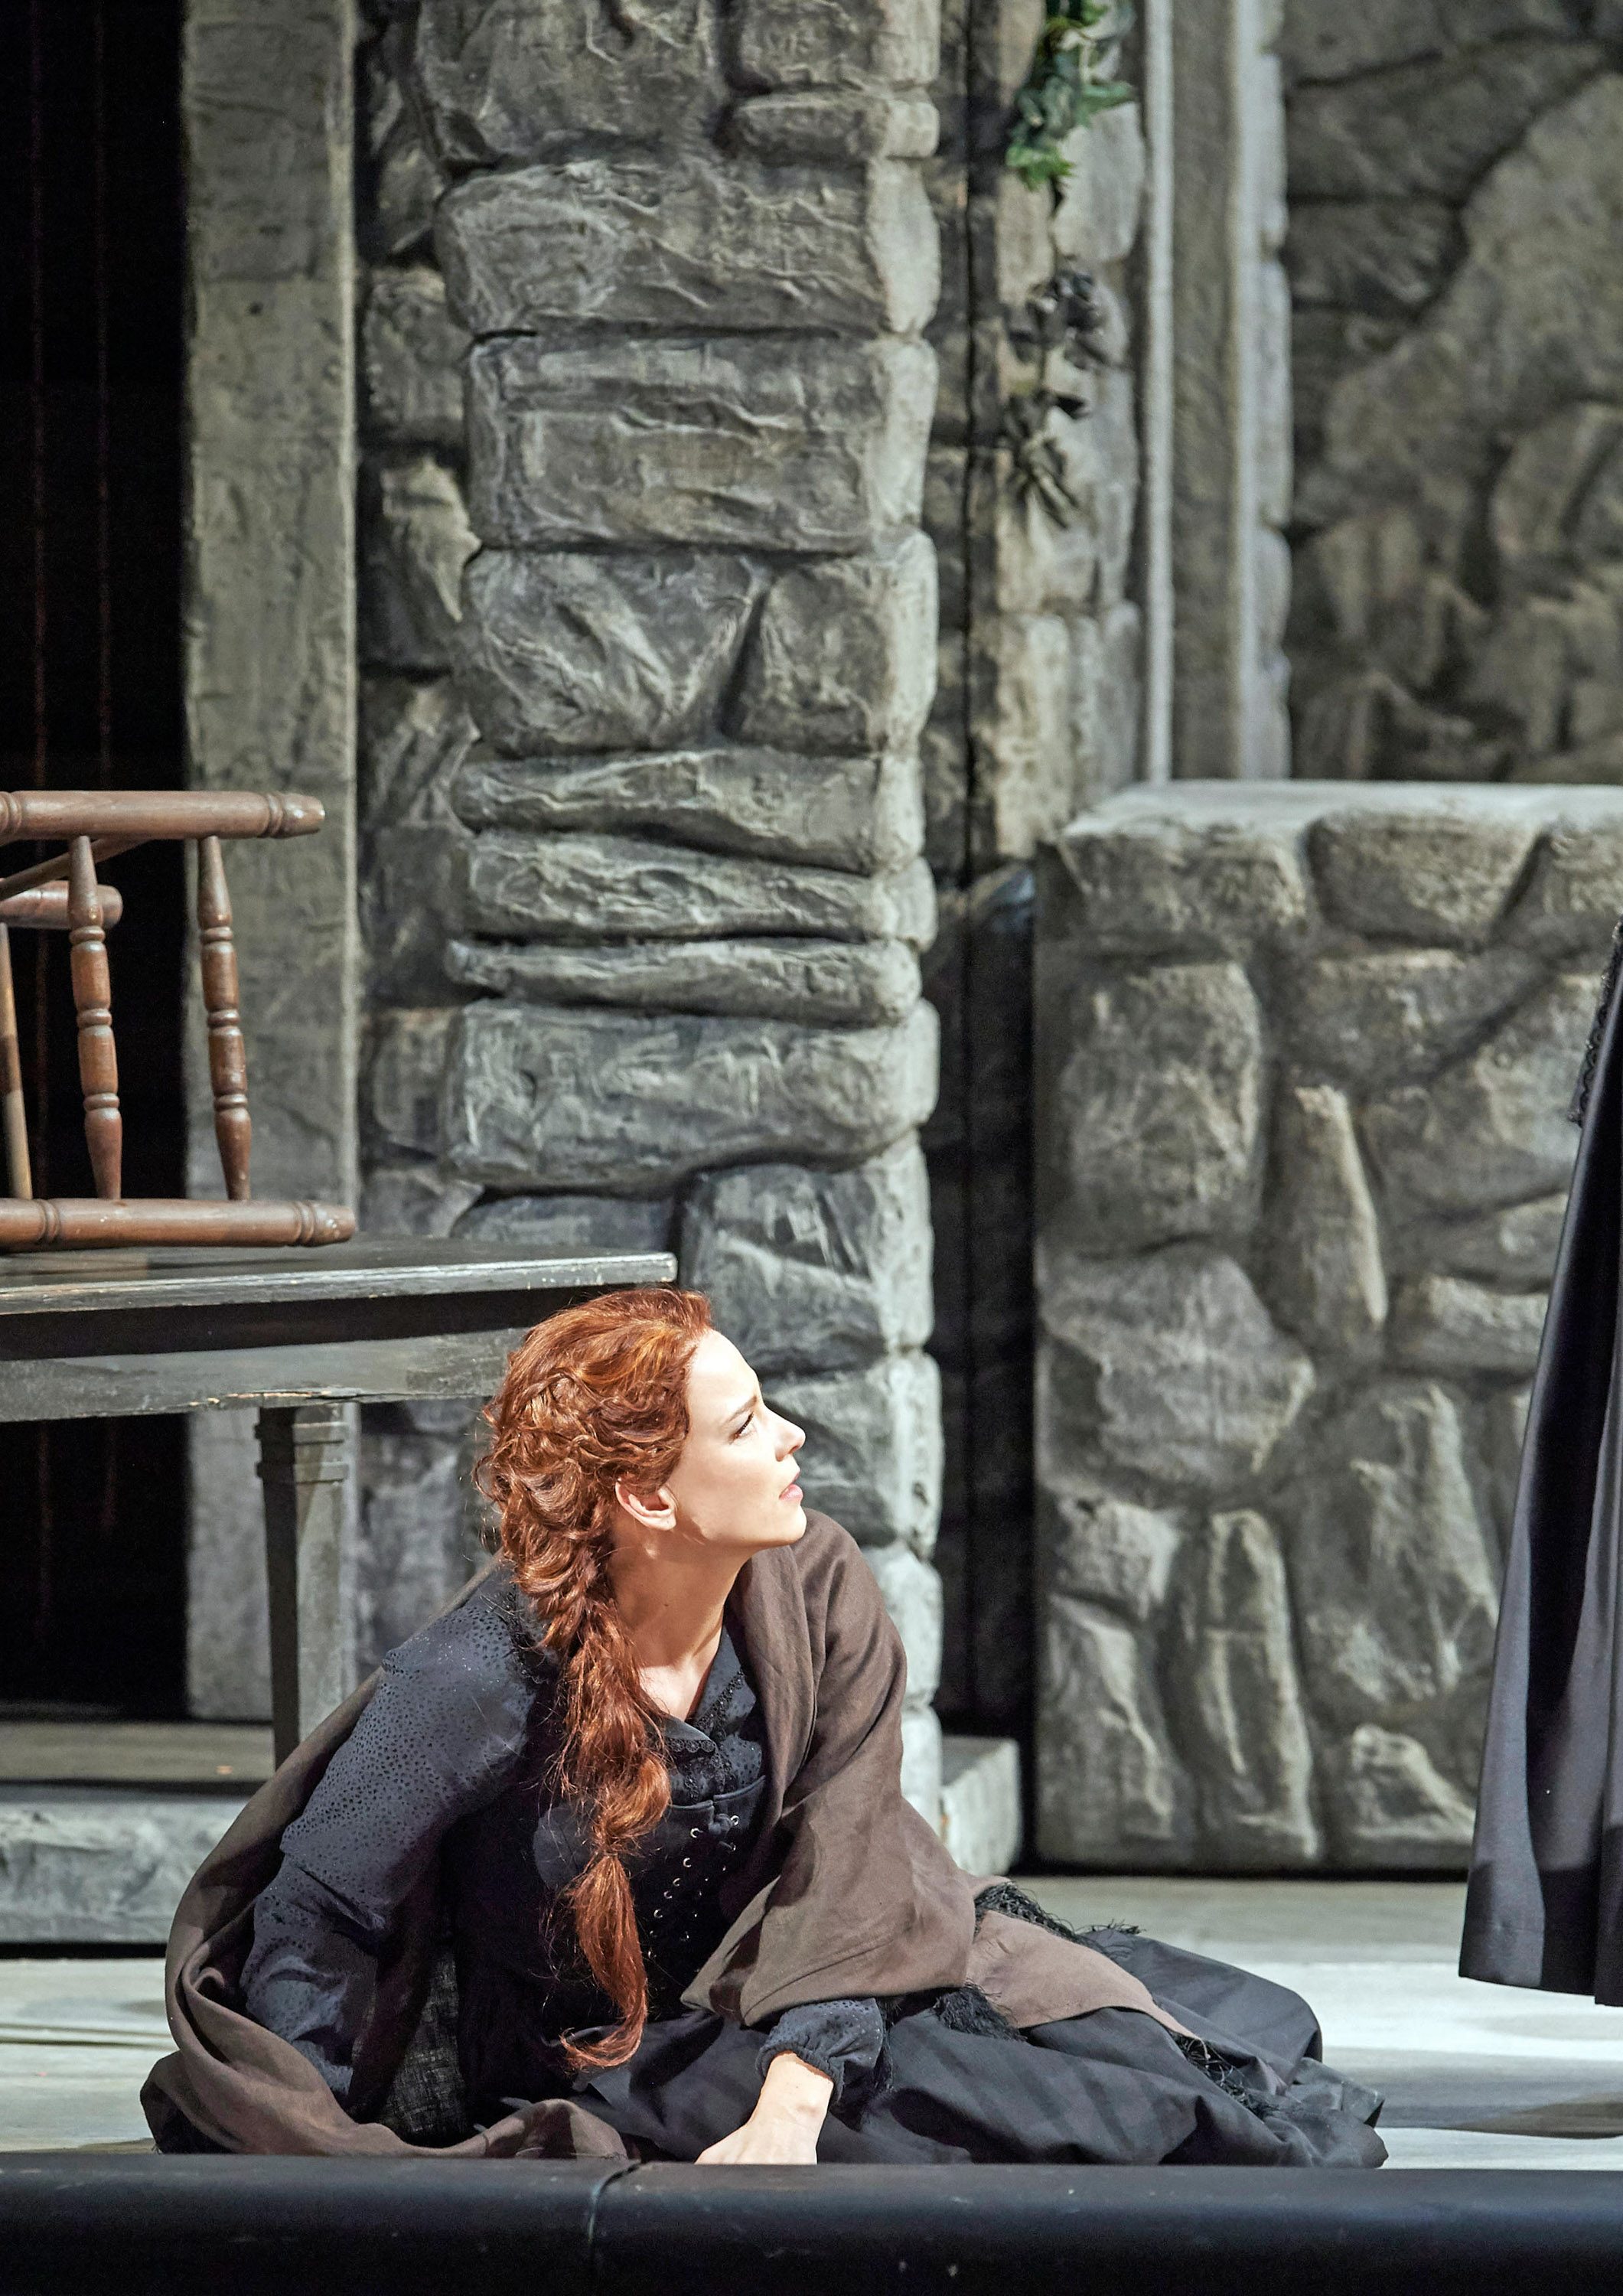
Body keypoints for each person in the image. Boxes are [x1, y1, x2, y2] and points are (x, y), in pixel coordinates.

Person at [144, 1288, 1383, 2167]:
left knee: (1222, 2035)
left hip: (821, 1976)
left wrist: (797, 2095)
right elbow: (321, 1906)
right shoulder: (480, 1673)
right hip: (616, 2050)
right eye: (743, 1427)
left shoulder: (815, 1582)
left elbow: (853, 1849)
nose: (790, 1438)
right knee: (1116, 2125)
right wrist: (303, 2151)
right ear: (645, 1495)